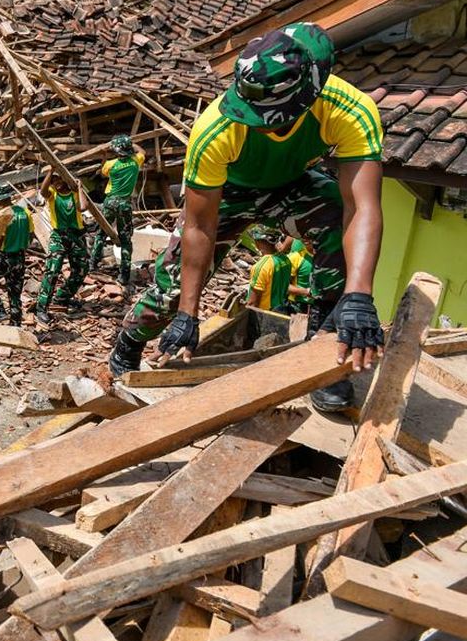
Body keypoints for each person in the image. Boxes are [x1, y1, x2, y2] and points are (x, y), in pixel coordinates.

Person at [108, 22, 385, 414]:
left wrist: (358, 295)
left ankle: (324, 352)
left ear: (308, 96)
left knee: (333, 211)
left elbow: (363, 206)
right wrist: (189, 313)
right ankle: (130, 342)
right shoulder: (216, 129)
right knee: (171, 293)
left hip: (292, 185)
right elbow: (199, 227)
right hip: (228, 194)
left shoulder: (350, 110)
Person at [89, 134, 145, 293]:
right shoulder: (136, 161)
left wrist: (105, 155)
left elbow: (102, 172)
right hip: (125, 203)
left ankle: (93, 263)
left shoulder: (111, 164)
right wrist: (131, 143)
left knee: (101, 233)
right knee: (126, 239)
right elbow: (142, 152)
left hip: (110, 201)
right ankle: (124, 274)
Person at [35, 171, 89, 324]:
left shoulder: (74, 193)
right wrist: (51, 171)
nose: (56, 182)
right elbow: (43, 192)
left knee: (81, 270)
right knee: (52, 271)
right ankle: (41, 308)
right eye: (54, 180)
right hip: (59, 236)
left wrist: (79, 188)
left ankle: (62, 297)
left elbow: (83, 207)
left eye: (59, 179)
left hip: (76, 236)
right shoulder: (52, 194)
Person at [0, 184, 33, 326]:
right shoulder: (24, 212)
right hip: (20, 257)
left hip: (5, 256)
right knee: (15, 291)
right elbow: (31, 236)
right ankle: (15, 324)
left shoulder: (3, 216)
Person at [246, 225, 293, 312]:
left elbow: (252, 303)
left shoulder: (261, 267)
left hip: (266, 314)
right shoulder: (286, 259)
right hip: (282, 308)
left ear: (258, 242)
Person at [284, 236, 315, 314]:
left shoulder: (326, 257)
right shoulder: (295, 257)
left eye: (309, 234)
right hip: (297, 306)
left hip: (320, 307)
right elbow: (282, 285)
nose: (305, 238)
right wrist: (305, 292)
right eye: (302, 235)